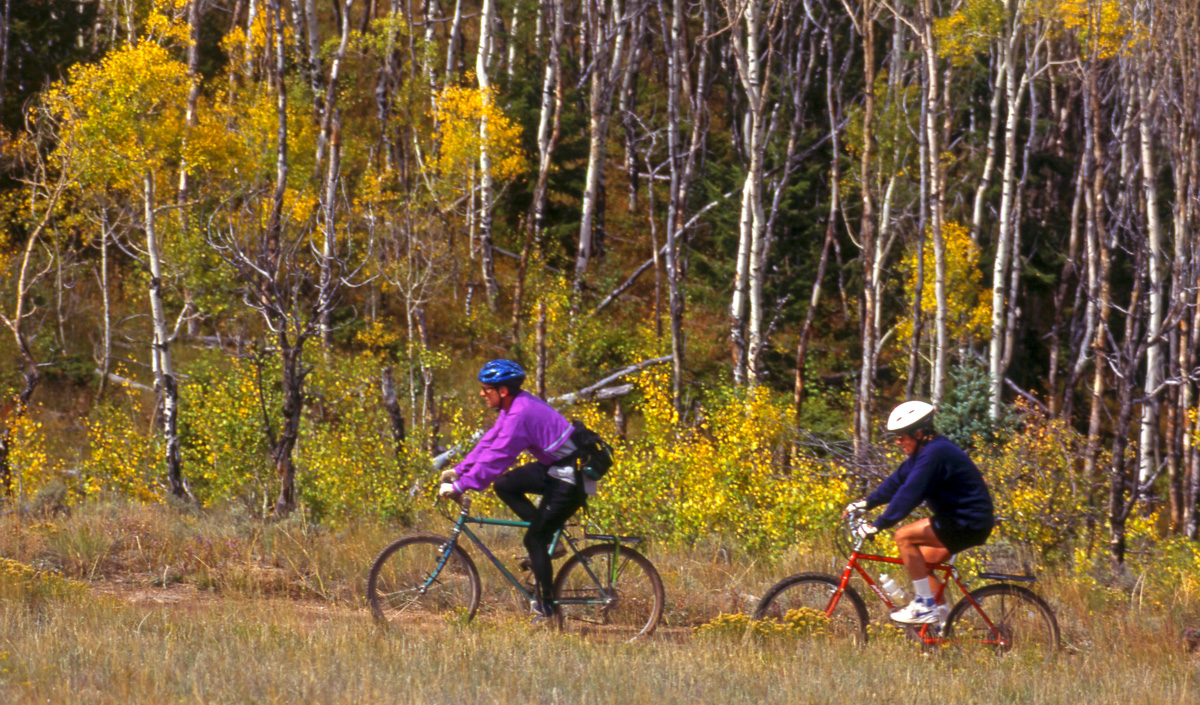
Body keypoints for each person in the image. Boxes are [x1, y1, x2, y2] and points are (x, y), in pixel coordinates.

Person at [438, 359, 589, 625]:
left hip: (569, 478)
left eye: (486, 389)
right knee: (506, 485)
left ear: (503, 390)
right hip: (554, 468)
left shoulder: (520, 414)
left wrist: (462, 486)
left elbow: (498, 457)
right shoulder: (513, 406)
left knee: (534, 540)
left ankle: (546, 610)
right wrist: (461, 470)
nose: (482, 393)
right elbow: (490, 440)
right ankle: (548, 539)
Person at [844, 401, 995, 625]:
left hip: (967, 521)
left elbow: (909, 493)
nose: (898, 442)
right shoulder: (927, 451)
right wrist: (864, 503)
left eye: (901, 437)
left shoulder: (935, 454)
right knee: (921, 564)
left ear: (919, 433)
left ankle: (924, 605)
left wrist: (878, 524)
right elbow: (896, 481)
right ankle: (944, 627)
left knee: (903, 536)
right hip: (964, 520)